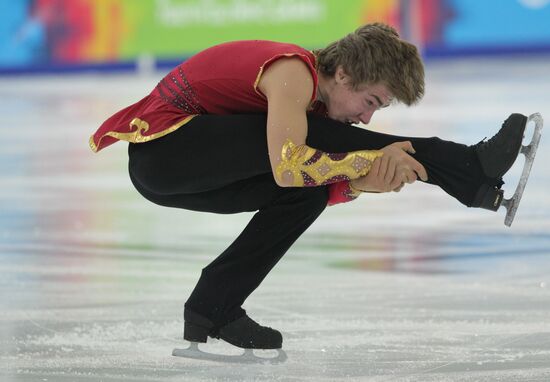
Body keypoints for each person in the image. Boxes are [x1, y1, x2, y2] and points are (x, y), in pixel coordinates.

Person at [90, 23, 527, 351]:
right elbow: (286, 166)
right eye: (370, 101)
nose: (368, 118)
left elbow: (302, 181)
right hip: (164, 153)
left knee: (310, 189)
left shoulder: (314, 100)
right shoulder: (293, 71)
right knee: (315, 149)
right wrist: (368, 162)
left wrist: (361, 180)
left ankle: (212, 308)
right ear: (342, 74)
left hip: (184, 173)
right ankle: (468, 167)